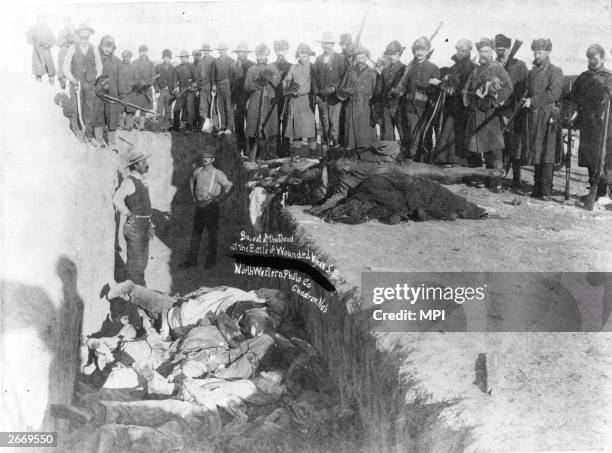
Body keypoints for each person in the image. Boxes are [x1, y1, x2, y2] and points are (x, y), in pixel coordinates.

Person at [463, 37, 513, 191]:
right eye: (481, 51)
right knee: (475, 148)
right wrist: (472, 95)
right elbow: (465, 90)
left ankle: (496, 180)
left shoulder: (498, 68)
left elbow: (509, 87)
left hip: (490, 115)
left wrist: (495, 99)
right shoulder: (475, 70)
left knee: (494, 149)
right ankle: (478, 177)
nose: (483, 54)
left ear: (491, 51)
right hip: (475, 113)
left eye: (486, 51)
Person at [520, 38, 564, 200]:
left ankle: (546, 190)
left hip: (548, 117)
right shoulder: (532, 72)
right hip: (534, 116)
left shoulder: (555, 71)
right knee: (536, 151)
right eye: (535, 52)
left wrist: (533, 101)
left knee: (547, 152)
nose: (536, 55)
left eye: (539, 52)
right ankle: (537, 187)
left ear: (547, 52)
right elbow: (528, 91)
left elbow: (554, 94)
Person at [567, 44, 612, 200]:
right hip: (587, 122)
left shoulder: (608, 77)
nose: (592, 61)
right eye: (589, 58)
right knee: (589, 157)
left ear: (602, 58)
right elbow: (572, 96)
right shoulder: (584, 77)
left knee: (602, 157)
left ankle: (603, 191)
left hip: (603, 124)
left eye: (595, 58)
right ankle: (594, 188)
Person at [181, 146, 234, 268]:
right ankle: (192, 260)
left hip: (211, 207)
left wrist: (220, 199)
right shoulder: (198, 171)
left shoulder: (217, 173)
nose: (205, 159)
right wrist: (193, 196)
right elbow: (191, 181)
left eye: (208, 157)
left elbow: (230, 186)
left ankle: (210, 261)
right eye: (204, 157)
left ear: (213, 159)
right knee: (196, 234)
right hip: (199, 207)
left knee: (212, 234)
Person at [113, 149, 153, 286]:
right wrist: (128, 213)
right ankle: (133, 291)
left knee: (143, 260)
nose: (147, 164)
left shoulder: (141, 180)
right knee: (135, 262)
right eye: (143, 163)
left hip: (144, 225)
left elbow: (145, 204)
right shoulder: (129, 182)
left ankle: (140, 287)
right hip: (135, 226)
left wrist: (149, 223)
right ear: (135, 166)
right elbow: (117, 199)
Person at [495, 33, 529, 188]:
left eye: (503, 49)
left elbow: (525, 87)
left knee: (515, 145)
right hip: (498, 111)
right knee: (499, 144)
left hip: (515, 110)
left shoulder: (520, 65)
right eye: (498, 49)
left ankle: (516, 177)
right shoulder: (495, 65)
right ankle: (498, 175)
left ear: (509, 49)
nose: (500, 52)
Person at [398, 36, 441, 160]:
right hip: (410, 108)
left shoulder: (433, 68)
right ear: (413, 51)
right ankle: (413, 164)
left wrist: (436, 85)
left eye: (423, 50)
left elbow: (437, 92)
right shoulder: (409, 68)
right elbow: (403, 86)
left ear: (428, 52)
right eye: (417, 50)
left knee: (425, 137)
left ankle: (426, 164)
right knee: (412, 137)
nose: (420, 53)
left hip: (426, 109)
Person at [434, 39, 476, 165]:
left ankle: (459, 163)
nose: (460, 53)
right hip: (451, 107)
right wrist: (444, 85)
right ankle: (443, 161)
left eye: (463, 50)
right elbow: (445, 83)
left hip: (464, 108)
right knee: (447, 134)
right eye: (458, 50)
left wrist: (456, 90)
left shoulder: (473, 68)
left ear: (469, 51)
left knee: (460, 136)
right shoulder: (452, 68)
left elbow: (470, 87)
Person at [63, 22, 103, 139]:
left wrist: (93, 78)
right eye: (82, 37)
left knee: (89, 107)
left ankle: (88, 133)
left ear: (90, 36)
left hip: (89, 83)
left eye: (87, 37)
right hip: (76, 82)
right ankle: (78, 131)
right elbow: (65, 66)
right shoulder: (72, 48)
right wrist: (72, 79)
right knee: (76, 106)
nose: (84, 39)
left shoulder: (93, 48)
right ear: (78, 36)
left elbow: (99, 67)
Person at [245, 44, 282, 160]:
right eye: (259, 55)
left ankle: (272, 153)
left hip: (269, 102)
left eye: (263, 55)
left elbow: (278, 81)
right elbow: (247, 86)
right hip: (256, 101)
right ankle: (259, 153)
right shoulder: (251, 69)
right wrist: (257, 84)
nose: (261, 58)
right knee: (256, 127)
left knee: (271, 126)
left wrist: (269, 77)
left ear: (267, 56)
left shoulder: (272, 67)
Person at [339, 45, 379, 149]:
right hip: (351, 107)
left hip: (366, 109)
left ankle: (365, 156)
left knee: (365, 139)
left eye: (363, 57)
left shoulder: (373, 73)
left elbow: (376, 94)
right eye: (358, 57)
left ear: (367, 57)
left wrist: (374, 111)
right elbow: (341, 89)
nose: (361, 60)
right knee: (350, 139)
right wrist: (348, 91)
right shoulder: (350, 71)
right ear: (355, 58)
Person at [313, 32, 345, 151]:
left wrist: (333, 89)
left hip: (334, 97)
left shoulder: (340, 59)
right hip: (322, 98)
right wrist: (317, 93)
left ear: (333, 45)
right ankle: (324, 149)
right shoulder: (318, 59)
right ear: (322, 45)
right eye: (324, 44)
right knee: (323, 122)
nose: (326, 46)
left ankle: (335, 147)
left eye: (329, 44)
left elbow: (343, 78)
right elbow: (314, 78)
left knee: (334, 122)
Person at [283, 43, 317, 154]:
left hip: (307, 101)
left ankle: (313, 155)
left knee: (310, 129)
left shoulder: (312, 67)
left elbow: (312, 84)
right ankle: (296, 155)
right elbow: (286, 80)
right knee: (297, 130)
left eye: (305, 56)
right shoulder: (293, 67)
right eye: (301, 56)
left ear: (309, 56)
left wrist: (300, 91)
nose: (303, 58)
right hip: (296, 102)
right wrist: (288, 87)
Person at [92, 35, 123, 148]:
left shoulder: (117, 62)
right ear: (101, 46)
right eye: (105, 46)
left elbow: (121, 80)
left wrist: (122, 95)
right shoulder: (95, 59)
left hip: (112, 95)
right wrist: (97, 88)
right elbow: (91, 77)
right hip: (98, 94)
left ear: (113, 48)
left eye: (109, 47)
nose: (107, 49)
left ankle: (112, 142)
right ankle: (99, 140)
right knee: (98, 116)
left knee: (112, 117)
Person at [378, 40, 407, 148]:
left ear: (399, 54)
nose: (391, 56)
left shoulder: (405, 69)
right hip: (386, 106)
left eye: (394, 54)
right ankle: (389, 154)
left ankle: (405, 155)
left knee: (403, 132)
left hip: (399, 106)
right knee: (387, 133)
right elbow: (380, 91)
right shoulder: (384, 71)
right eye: (389, 54)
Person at [231, 42, 254, 148]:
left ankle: (254, 150)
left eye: (242, 52)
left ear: (246, 53)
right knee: (238, 123)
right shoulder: (233, 66)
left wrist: (251, 98)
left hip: (249, 98)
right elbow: (233, 84)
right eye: (239, 52)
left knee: (251, 125)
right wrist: (233, 101)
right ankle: (241, 148)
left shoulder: (252, 65)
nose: (240, 54)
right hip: (238, 99)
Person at [212, 42, 235, 135]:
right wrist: (213, 84)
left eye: (223, 50)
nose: (221, 51)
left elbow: (234, 75)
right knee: (221, 107)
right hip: (218, 86)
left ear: (226, 50)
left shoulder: (231, 60)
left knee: (229, 107)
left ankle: (229, 127)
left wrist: (232, 87)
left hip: (228, 86)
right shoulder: (216, 62)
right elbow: (212, 74)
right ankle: (223, 126)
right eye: (220, 50)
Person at [273, 40, 292, 156]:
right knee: (274, 125)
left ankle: (285, 151)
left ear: (286, 51)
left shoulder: (291, 66)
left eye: (283, 50)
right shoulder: (271, 66)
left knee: (286, 124)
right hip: (273, 100)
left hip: (286, 100)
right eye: (278, 50)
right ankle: (276, 150)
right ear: (275, 51)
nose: (280, 53)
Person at [26, 14, 56, 84]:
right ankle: (39, 89)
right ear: (37, 19)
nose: (41, 20)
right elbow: (28, 40)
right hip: (37, 53)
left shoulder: (47, 28)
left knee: (51, 72)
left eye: (43, 18)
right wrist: (34, 41)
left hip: (47, 52)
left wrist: (48, 45)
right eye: (39, 19)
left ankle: (52, 89)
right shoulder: (33, 28)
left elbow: (53, 40)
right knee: (38, 73)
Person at [173, 49, 198, 134]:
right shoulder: (177, 68)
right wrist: (176, 91)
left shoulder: (192, 67)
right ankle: (176, 126)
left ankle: (189, 127)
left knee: (189, 109)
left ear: (188, 58)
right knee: (176, 109)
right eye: (182, 58)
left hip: (190, 91)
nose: (183, 59)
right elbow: (175, 81)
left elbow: (197, 79)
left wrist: (194, 85)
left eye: (185, 58)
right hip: (181, 91)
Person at [132, 44, 156, 131]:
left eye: (145, 51)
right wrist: (139, 84)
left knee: (144, 108)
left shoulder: (150, 64)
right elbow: (133, 76)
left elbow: (153, 77)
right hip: (137, 89)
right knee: (134, 106)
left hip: (147, 89)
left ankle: (141, 125)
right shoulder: (135, 63)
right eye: (142, 51)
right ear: (139, 52)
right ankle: (133, 123)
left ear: (147, 52)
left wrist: (148, 84)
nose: (143, 53)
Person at [196, 44, 215, 132]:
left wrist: (214, 86)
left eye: (207, 50)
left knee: (212, 106)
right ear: (203, 51)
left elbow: (215, 74)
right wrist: (198, 87)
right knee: (203, 107)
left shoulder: (213, 61)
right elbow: (197, 75)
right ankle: (204, 126)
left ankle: (215, 126)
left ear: (209, 51)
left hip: (211, 86)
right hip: (202, 87)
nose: (206, 52)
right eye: (204, 50)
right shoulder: (200, 62)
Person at [154, 49, 175, 127]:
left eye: (168, 58)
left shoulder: (173, 68)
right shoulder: (158, 67)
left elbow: (175, 80)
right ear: (163, 58)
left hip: (170, 91)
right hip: (160, 90)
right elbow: (154, 80)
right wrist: (156, 89)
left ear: (170, 58)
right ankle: (159, 123)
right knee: (159, 108)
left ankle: (167, 124)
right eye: (165, 57)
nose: (167, 59)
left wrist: (174, 90)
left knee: (168, 108)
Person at [118, 49, 136, 130]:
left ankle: (127, 125)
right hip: (121, 91)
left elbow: (136, 78)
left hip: (131, 91)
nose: (127, 59)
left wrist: (134, 85)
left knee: (130, 109)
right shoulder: (119, 66)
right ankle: (121, 125)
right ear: (123, 57)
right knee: (121, 109)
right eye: (126, 57)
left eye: (129, 57)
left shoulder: (133, 67)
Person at [56, 16, 75, 89]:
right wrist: (65, 42)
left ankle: (73, 89)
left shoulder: (75, 31)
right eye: (66, 22)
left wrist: (72, 41)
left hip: (72, 50)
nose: (67, 24)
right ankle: (62, 87)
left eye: (68, 22)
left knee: (72, 71)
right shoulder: (62, 32)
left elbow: (78, 41)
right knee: (61, 71)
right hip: (64, 50)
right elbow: (58, 42)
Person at [192, 49, 203, 129]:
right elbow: (192, 78)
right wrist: (195, 89)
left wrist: (198, 89)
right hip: (193, 89)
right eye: (196, 55)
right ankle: (194, 122)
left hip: (201, 88)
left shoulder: (202, 65)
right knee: (194, 106)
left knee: (201, 107)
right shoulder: (192, 65)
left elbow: (202, 78)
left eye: (199, 55)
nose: (197, 57)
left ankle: (201, 123)